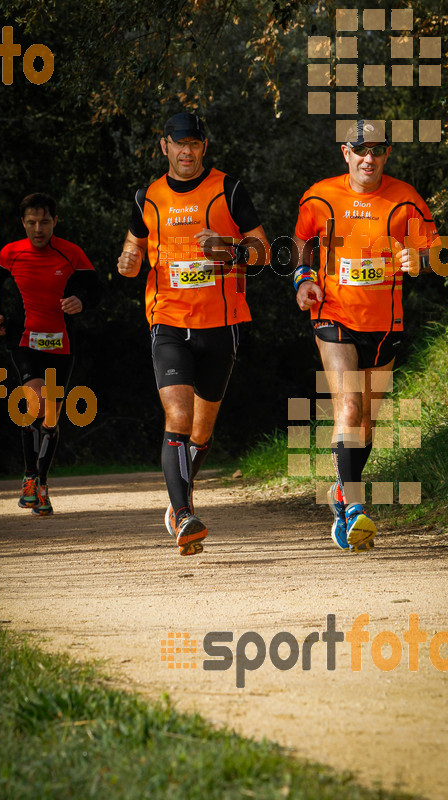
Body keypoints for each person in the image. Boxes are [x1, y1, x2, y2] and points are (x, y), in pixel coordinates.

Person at [118, 111, 269, 556]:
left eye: (194, 144)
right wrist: (127, 262)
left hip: (221, 325)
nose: (187, 152)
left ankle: (181, 497)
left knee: (201, 434)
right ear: (164, 146)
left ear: (204, 146)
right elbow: (134, 247)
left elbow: (262, 252)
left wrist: (229, 249)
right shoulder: (148, 196)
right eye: (178, 143)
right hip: (168, 322)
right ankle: (183, 515)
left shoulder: (229, 189)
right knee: (178, 420)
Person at [293, 120, 440, 552]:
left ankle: (341, 496)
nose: (368, 159)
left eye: (377, 151)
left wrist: (421, 259)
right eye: (360, 151)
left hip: (385, 323)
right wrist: (303, 278)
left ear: (387, 154)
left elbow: (438, 251)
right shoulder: (320, 195)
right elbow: (303, 239)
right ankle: (355, 506)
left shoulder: (405, 198)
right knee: (349, 405)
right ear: (346, 153)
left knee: (366, 420)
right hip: (333, 314)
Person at [0, 192, 102, 515]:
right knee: (33, 405)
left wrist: (81, 300)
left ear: (55, 221)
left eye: (45, 222)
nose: (38, 229)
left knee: (51, 418)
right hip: (23, 341)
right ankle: (29, 478)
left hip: (61, 344)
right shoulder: (11, 253)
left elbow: (96, 289)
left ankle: (42, 485)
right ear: (23, 223)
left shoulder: (70, 253)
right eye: (32, 222)